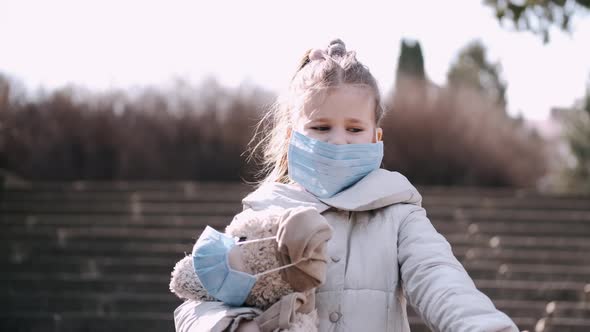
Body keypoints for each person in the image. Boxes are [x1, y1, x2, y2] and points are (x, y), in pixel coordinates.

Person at [174, 39, 519, 332]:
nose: (339, 142)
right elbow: (199, 298)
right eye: (321, 128)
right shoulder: (264, 212)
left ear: (375, 137)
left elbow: (442, 281)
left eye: (354, 129)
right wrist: (232, 325)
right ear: (293, 136)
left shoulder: (399, 215)